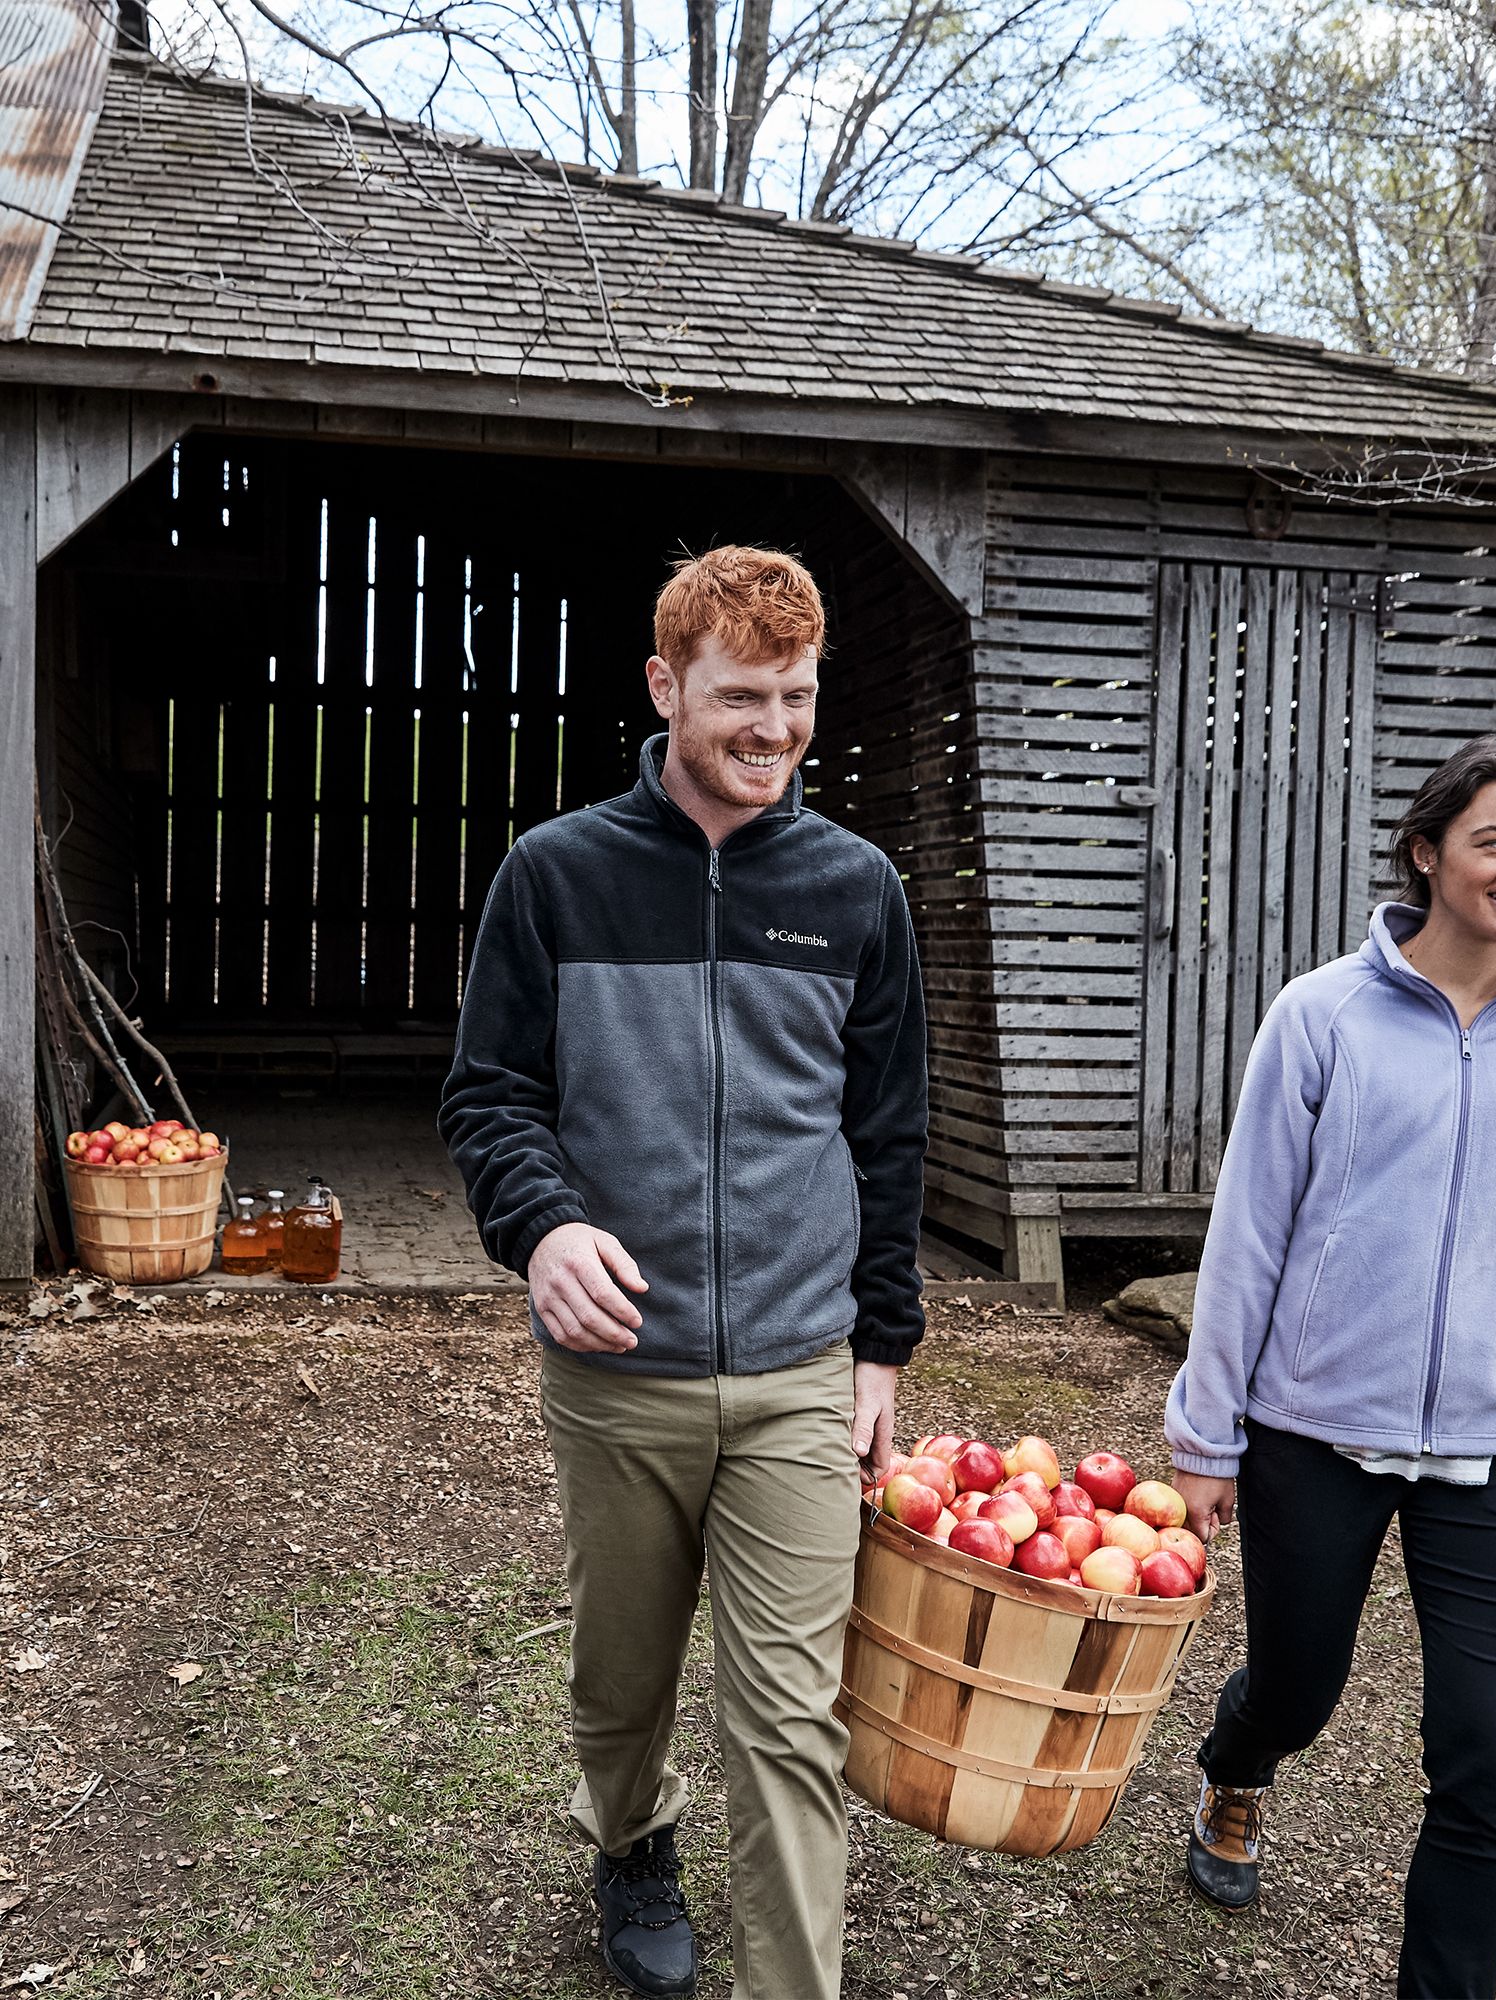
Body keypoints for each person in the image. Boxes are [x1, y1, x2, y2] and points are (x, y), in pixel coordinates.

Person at [440, 545, 927, 2000]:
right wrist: (545, 1227)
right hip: (616, 1375)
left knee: (790, 1719)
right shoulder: (559, 876)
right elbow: (487, 1097)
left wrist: (879, 1349)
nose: (770, 728)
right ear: (665, 689)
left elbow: (890, 1136)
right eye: (738, 697)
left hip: (792, 1373)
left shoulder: (859, 891)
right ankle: (631, 1839)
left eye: (793, 697)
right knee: (621, 1680)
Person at [1166, 736, 1496, 2000]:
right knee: (1296, 1689)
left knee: (1484, 1756)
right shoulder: (1322, 1014)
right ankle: (1239, 1765)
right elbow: (1247, 1231)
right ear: (1427, 851)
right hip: (1314, 1424)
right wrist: (1204, 1433)